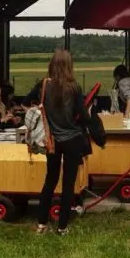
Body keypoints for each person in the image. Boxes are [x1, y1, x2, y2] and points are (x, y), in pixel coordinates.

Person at [35, 49, 87, 235]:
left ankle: (41, 224)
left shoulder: (44, 85)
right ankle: (62, 226)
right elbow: (81, 114)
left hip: (52, 141)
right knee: (68, 184)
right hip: (72, 139)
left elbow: (28, 103)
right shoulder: (74, 88)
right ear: (68, 66)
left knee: (50, 180)